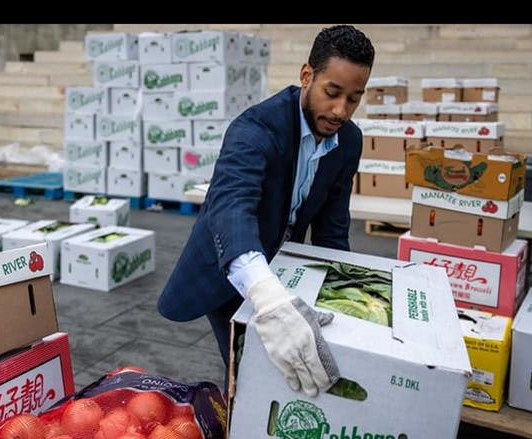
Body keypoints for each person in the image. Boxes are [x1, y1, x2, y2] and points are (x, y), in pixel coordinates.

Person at [157, 25, 375, 397]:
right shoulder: (255, 128)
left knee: (298, 365)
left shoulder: (348, 140)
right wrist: (266, 293)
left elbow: (332, 229)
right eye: (332, 93)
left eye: (354, 99)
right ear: (307, 76)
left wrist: (344, 297)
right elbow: (230, 208)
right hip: (233, 266)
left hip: (285, 265)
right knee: (249, 373)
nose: (341, 111)